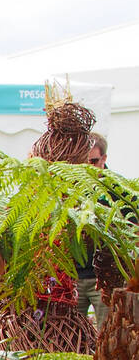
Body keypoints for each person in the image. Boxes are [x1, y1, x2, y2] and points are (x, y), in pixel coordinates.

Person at [77, 133, 110, 329]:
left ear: (104, 159)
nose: (89, 166)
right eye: (84, 162)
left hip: (103, 278)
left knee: (104, 333)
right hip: (75, 276)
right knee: (74, 335)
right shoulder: (73, 187)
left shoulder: (116, 189)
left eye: (94, 161)